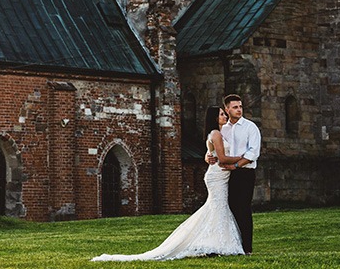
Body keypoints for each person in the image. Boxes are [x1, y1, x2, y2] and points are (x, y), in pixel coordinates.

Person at [91, 106, 244, 262]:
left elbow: (211, 153)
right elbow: (223, 158)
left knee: (216, 207)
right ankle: (219, 244)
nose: (224, 116)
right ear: (214, 118)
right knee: (218, 206)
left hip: (218, 175)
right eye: (221, 114)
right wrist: (244, 158)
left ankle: (215, 242)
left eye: (224, 114)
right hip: (218, 176)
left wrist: (208, 156)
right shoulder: (216, 133)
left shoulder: (217, 133)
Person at [211, 94, 261, 255]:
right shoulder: (223, 128)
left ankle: (247, 248)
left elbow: (253, 152)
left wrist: (236, 165)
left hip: (245, 172)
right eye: (235, 107)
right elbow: (214, 147)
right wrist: (209, 156)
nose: (239, 110)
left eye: (240, 107)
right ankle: (233, 244)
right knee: (231, 207)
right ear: (227, 109)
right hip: (227, 175)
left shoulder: (250, 127)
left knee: (243, 208)